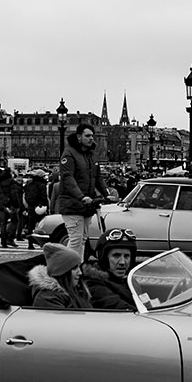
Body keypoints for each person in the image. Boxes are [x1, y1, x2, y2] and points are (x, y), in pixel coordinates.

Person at [58, 122, 107, 260]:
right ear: (79, 137)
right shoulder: (69, 153)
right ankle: (68, 268)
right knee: (75, 239)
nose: (91, 138)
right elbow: (68, 178)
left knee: (83, 239)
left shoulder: (92, 154)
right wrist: (81, 196)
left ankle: (77, 267)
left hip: (86, 205)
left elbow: (98, 177)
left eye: (92, 136)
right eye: (87, 136)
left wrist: (108, 194)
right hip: (72, 204)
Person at [84, 228, 137, 311]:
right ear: (104, 259)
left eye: (126, 256)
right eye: (116, 256)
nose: (122, 262)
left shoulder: (128, 281)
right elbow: (120, 307)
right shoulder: (94, 284)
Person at [27, 243, 93, 311]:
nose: (80, 273)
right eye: (74, 268)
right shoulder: (48, 298)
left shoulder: (77, 289)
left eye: (79, 267)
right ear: (62, 271)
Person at [22, 171, 50, 248]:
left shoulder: (29, 185)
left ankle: (30, 243)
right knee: (42, 224)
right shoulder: (42, 185)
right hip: (40, 207)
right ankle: (42, 242)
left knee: (31, 225)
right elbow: (44, 196)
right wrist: (45, 205)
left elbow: (25, 195)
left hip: (31, 206)